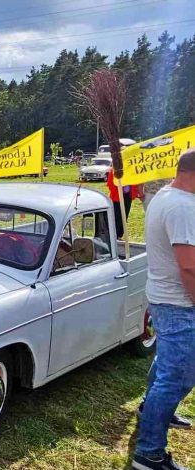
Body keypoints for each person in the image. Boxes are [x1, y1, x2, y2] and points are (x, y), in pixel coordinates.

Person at [132, 148, 195, 470]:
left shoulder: (165, 196)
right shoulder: (182, 206)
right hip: (179, 301)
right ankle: (149, 452)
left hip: (164, 296)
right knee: (179, 376)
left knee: (168, 365)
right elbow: (189, 267)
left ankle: (151, 409)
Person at [107, 167, 141, 239]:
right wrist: (118, 192)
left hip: (127, 196)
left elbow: (135, 182)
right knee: (116, 216)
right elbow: (110, 184)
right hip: (117, 197)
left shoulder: (131, 170)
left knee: (125, 215)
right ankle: (114, 236)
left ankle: (119, 235)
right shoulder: (114, 170)